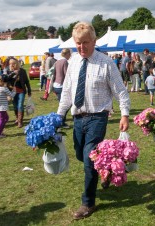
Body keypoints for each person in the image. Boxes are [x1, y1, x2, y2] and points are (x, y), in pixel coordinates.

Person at [57, 22, 130, 220]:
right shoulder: (72, 62)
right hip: (78, 118)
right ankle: (105, 167)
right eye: (78, 43)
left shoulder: (106, 63)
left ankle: (88, 202)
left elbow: (121, 91)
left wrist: (124, 114)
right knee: (81, 155)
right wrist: (59, 114)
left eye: (86, 43)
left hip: (98, 117)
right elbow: (67, 92)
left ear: (94, 41)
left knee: (89, 159)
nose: (82, 47)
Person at [7, 57, 31, 128]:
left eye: (14, 63)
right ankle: (17, 118)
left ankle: (20, 121)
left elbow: (26, 81)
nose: (12, 65)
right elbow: (6, 79)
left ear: (17, 63)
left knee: (20, 105)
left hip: (21, 91)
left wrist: (29, 90)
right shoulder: (9, 72)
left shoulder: (22, 71)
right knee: (15, 106)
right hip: (13, 92)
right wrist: (12, 73)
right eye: (10, 64)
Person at [52, 48, 72, 128]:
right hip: (62, 86)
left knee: (63, 104)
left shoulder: (57, 61)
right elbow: (66, 74)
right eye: (69, 54)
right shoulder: (64, 61)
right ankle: (60, 122)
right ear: (67, 54)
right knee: (66, 105)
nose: (70, 56)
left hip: (56, 85)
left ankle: (60, 121)